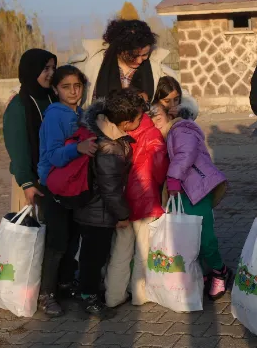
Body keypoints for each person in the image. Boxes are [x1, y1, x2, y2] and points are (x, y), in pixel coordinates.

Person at [151, 93, 233, 300]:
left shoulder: (181, 129)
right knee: (188, 238)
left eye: (158, 117)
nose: (155, 123)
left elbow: (185, 153)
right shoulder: (165, 134)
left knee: (205, 237)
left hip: (196, 190)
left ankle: (219, 271)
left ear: (170, 114)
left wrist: (173, 178)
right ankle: (203, 273)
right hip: (182, 193)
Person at [73, 89, 146, 316]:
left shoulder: (107, 134)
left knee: (92, 254)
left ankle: (87, 287)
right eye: (138, 119)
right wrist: (123, 215)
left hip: (95, 210)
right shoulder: (110, 148)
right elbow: (111, 189)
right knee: (93, 256)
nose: (141, 121)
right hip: (98, 213)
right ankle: (88, 296)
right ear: (125, 123)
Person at [35, 65, 96, 316]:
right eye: (66, 86)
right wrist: (78, 149)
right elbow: (52, 156)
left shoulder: (81, 113)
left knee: (73, 239)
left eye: (77, 86)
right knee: (57, 242)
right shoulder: (55, 116)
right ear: (56, 89)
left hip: (76, 186)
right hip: (55, 188)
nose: (73, 91)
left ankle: (65, 283)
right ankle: (46, 294)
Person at [107, 91, 168, 308]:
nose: (123, 127)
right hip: (146, 202)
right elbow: (160, 170)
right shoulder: (153, 135)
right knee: (144, 252)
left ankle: (113, 296)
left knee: (121, 252)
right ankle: (139, 295)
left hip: (122, 203)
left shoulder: (115, 137)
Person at [3, 49, 57, 212]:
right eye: (45, 68)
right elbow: (17, 148)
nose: (51, 73)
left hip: (53, 179)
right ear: (31, 70)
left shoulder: (52, 98)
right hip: (30, 182)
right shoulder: (19, 105)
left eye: (53, 68)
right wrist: (27, 183)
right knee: (31, 232)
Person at [76, 18, 166, 104]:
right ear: (119, 50)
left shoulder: (156, 69)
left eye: (144, 55)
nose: (139, 61)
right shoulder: (93, 65)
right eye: (133, 56)